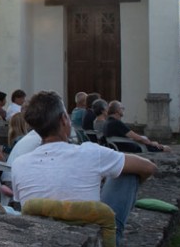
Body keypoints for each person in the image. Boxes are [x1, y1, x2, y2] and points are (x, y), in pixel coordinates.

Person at [12, 91, 157, 239]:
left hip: (40, 241)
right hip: (88, 244)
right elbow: (149, 167)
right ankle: (115, 239)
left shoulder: (19, 164)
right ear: (64, 120)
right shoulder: (91, 152)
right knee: (128, 172)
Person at [102, 101, 171, 152]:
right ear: (117, 110)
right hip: (131, 148)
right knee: (167, 148)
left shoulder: (107, 122)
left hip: (120, 147)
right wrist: (152, 143)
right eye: (122, 108)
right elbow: (137, 137)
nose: (123, 110)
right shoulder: (116, 123)